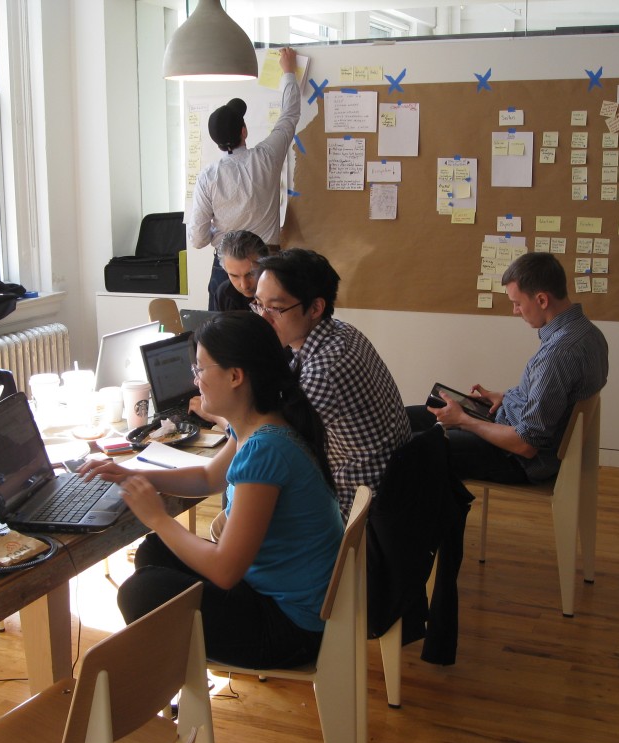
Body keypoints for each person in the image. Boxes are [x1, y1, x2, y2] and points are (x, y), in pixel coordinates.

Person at [79, 312, 343, 669]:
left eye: (201, 369)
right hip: (285, 600)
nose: (196, 380)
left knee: (141, 590)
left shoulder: (266, 449)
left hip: (291, 628)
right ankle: (174, 679)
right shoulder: (258, 423)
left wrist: (157, 516)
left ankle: (161, 683)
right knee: (157, 554)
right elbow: (208, 478)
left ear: (236, 376)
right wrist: (130, 473)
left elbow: (225, 571)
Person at [414, 251, 608, 484]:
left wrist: (465, 421)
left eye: (517, 303)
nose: (515, 311)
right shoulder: (588, 333)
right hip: (511, 427)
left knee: (413, 449)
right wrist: (505, 396)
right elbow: (553, 397)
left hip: (517, 458)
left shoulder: (559, 353)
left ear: (542, 300)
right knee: (412, 418)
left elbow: (526, 444)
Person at [254, 248, 412, 521]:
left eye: (276, 308)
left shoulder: (323, 372)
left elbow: (272, 443)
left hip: (357, 505)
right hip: (395, 480)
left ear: (315, 308)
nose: (263, 318)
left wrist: (220, 414)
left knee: (252, 485)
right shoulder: (341, 331)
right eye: (258, 304)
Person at [189, 47, 300, 310]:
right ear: (244, 130)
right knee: (270, 339)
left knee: (221, 343)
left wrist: (224, 231)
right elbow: (289, 116)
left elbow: (197, 239)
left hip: (225, 268)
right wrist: (288, 73)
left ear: (215, 142)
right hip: (266, 267)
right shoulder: (266, 157)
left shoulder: (208, 177)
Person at [215, 229, 269, 311]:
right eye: (234, 276)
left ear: (266, 265)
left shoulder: (284, 291)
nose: (244, 286)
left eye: (251, 274)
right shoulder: (223, 294)